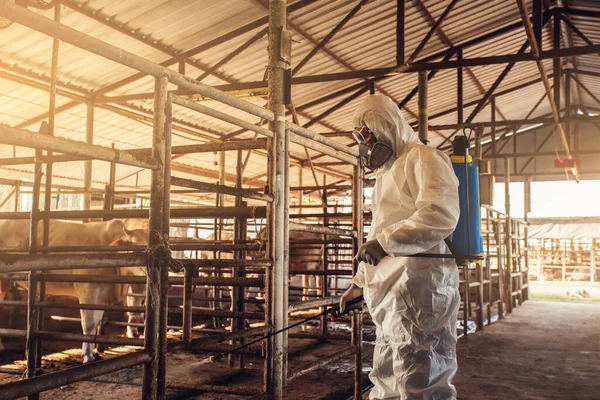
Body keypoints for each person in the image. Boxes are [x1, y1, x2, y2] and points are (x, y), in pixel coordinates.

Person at [340, 94, 461, 399]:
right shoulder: (385, 173)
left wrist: (384, 242)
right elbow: (379, 230)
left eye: (366, 134)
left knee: (422, 374)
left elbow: (439, 213)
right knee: (386, 372)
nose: (364, 143)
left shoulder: (423, 157)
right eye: (360, 136)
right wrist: (359, 284)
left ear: (385, 125)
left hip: (422, 289)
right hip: (389, 294)